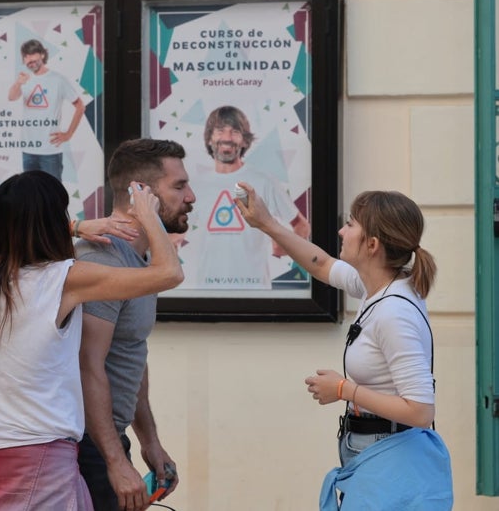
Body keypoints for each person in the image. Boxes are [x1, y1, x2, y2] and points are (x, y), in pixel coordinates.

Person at [0, 170, 184, 511]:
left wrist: (78, 227)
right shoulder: (64, 280)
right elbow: (169, 273)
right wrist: (149, 215)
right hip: (39, 454)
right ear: (54, 220)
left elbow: (18, 230)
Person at [236, 185, 453, 509]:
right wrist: (267, 223)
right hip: (373, 447)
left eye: (351, 224)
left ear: (372, 245)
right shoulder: (378, 286)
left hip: (390, 452)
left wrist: (343, 389)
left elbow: (421, 411)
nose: (341, 230)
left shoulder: (395, 312)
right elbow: (321, 264)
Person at [76, 139, 196, 511]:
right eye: (178, 186)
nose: (191, 196)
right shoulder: (104, 259)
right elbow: (87, 365)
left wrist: (149, 441)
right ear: (142, 194)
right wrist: (114, 460)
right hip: (86, 446)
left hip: (111, 438)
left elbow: (131, 354)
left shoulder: (140, 261)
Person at [195, 105, 310, 290]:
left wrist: (282, 249)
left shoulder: (264, 181)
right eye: (220, 131)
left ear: (244, 140)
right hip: (206, 291)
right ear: (209, 138)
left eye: (234, 132)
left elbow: (301, 226)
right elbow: (174, 233)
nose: (227, 138)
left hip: (255, 292)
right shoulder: (195, 186)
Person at [7, 39, 85, 181]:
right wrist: (18, 83)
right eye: (26, 57)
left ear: (42, 55)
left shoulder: (58, 80)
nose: (30, 60)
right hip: (28, 149)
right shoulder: (24, 79)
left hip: (50, 151)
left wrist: (69, 134)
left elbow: (80, 106)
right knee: (31, 194)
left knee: (53, 194)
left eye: (33, 55)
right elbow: (11, 97)